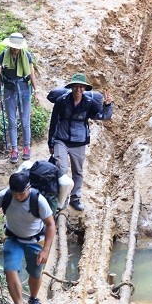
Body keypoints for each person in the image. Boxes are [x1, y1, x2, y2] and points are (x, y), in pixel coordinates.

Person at [0, 171, 56, 304]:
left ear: (29, 188)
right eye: (15, 194)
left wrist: (45, 249)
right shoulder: (5, 196)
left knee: (35, 272)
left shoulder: (38, 200)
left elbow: (50, 224)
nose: (18, 197)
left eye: (21, 194)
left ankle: (33, 298)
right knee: (10, 269)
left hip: (35, 240)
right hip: (13, 238)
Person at [47, 72, 114, 211]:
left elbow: (103, 116)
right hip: (61, 139)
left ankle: (75, 198)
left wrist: (108, 105)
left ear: (85, 89)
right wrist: (51, 142)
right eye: (75, 87)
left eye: (81, 87)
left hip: (79, 142)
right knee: (61, 168)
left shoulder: (89, 103)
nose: (78, 90)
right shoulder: (61, 101)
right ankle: (60, 197)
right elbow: (54, 122)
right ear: (71, 87)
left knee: (77, 171)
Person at [0, 33, 38, 163]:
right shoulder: (4, 55)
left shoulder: (27, 55)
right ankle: (14, 149)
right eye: (13, 47)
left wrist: (36, 89)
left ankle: (26, 147)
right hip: (9, 90)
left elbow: (31, 73)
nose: (15, 49)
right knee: (12, 121)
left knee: (25, 120)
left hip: (24, 89)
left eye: (17, 47)